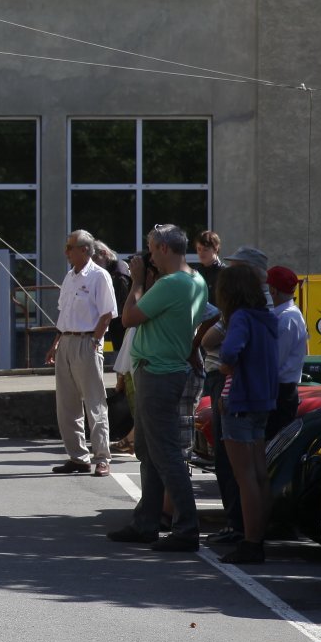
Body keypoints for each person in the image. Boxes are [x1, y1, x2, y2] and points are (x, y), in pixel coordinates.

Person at [107, 224, 207, 551]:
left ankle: (186, 529)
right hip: (165, 370)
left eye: (151, 249)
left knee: (164, 453)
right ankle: (146, 523)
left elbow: (128, 318)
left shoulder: (171, 283)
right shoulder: (195, 279)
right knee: (150, 452)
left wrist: (137, 280)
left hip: (158, 373)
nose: (148, 257)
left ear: (164, 248)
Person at [215, 263, 280, 565]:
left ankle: (250, 542)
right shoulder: (268, 317)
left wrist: (225, 365)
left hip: (239, 400)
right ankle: (258, 538)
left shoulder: (240, 317)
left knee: (245, 478)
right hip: (262, 401)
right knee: (259, 475)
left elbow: (229, 351)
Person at [45, 231, 117, 477]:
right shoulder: (69, 276)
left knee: (94, 402)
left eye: (70, 247)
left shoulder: (99, 276)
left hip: (87, 341)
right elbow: (64, 314)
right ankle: (78, 457)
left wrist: (95, 340)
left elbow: (107, 313)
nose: (66, 252)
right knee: (66, 404)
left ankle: (102, 457)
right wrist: (55, 343)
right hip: (66, 341)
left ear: (84, 250)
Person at [267, 265, 307, 437]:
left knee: (273, 442)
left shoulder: (286, 319)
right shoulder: (288, 315)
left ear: (273, 290)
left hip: (281, 392)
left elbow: (274, 362)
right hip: (281, 390)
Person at [194, 229, 225, 304]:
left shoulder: (225, 273)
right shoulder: (195, 273)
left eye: (205, 249)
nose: (201, 253)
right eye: (199, 249)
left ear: (215, 249)